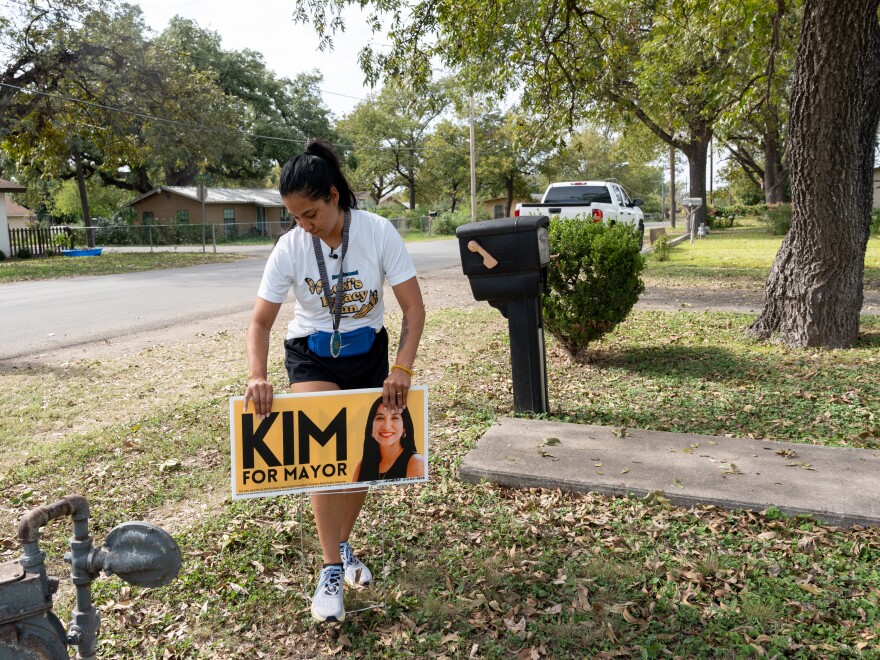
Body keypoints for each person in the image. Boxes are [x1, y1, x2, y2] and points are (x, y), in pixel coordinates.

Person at [243, 139, 425, 623]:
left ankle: (342, 546)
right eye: (295, 217)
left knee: (362, 462)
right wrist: (258, 376)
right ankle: (329, 570)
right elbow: (260, 322)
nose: (304, 225)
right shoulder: (290, 246)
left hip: (368, 351)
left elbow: (413, 308)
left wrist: (402, 367)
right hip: (312, 356)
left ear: (333, 197)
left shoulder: (378, 232)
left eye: (311, 214)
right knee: (328, 454)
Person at [354, 396, 426, 482]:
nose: (386, 426)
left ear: (404, 427)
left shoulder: (417, 463)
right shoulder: (362, 465)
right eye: (380, 418)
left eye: (395, 418)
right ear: (371, 426)